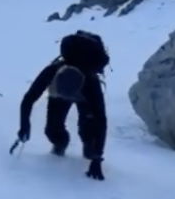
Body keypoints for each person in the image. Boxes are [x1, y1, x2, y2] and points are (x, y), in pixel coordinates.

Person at [16, 30, 109, 181]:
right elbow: (29, 99)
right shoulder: (52, 71)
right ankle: (60, 144)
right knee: (53, 129)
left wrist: (96, 159)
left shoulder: (91, 83)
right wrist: (24, 125)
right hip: (58, 93)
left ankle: (88, 149)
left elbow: (101, 121)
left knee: (90, 132)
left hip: (81, 96)